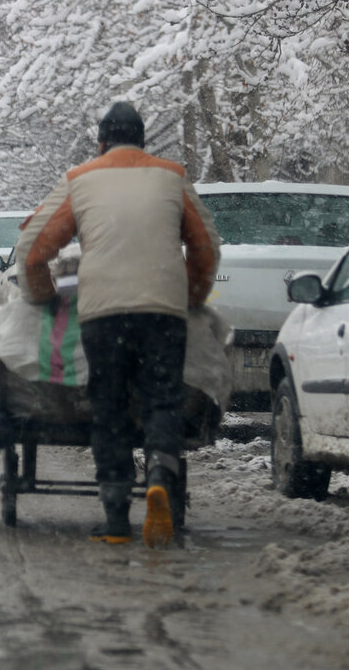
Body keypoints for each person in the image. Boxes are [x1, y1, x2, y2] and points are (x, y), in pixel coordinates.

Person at [14, 101, 220, 547]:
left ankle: (115, 518)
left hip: (103, 314)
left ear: (101, 143)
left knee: (108, 407)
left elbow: (31, 249)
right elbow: (206, 246)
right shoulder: (173, 177)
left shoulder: (80, 179)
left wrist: (43, 297)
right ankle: (160, 471)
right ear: (143, 141)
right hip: (163, 310)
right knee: (161, 399)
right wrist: (191, 297)